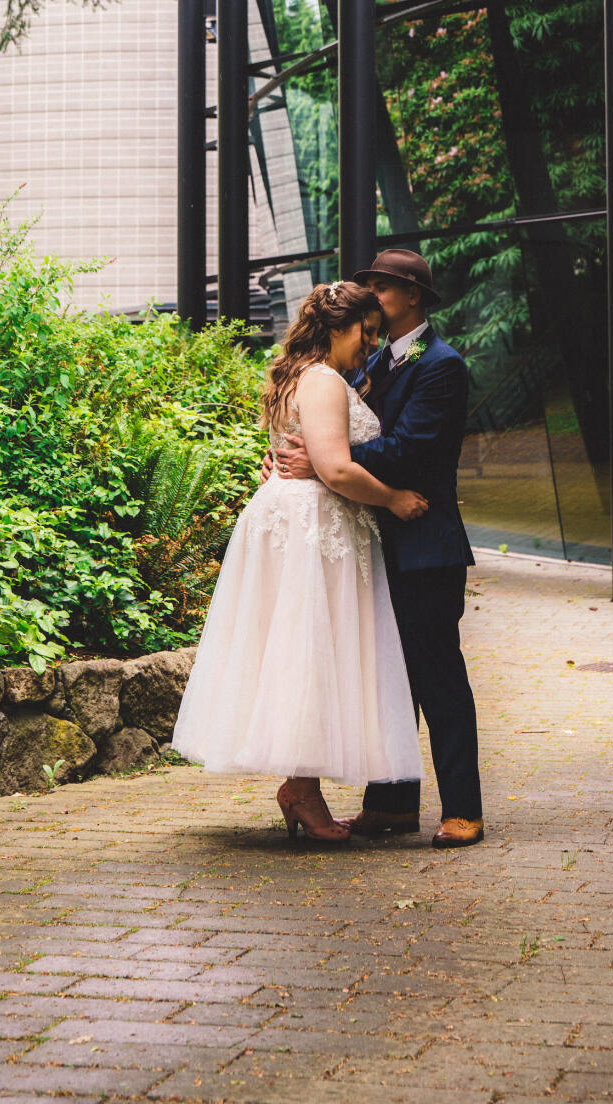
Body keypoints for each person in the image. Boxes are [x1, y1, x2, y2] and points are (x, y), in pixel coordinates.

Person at [171, 280, 430, 843]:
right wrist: (393, 498)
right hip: (313, 526)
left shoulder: (301, 376)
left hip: (304, 522)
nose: (370, 343)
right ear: (338, 327)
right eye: (365, 332)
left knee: (306, 651)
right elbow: (335, 469)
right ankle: (301, 790)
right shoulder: (323, 381)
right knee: (311, 649)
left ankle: (302, 788)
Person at [271, 249, 483, 848]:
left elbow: (409, 447)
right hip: (372, 542)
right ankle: (390, 804)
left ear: (412, 296)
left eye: (381, 288)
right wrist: (297, 455)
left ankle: (464, 809)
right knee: (389, 677)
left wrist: (323, 461)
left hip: (425, 542)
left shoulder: (441, 364)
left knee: (438, 678)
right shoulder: (368, 361)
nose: (372, 297)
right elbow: (324, 422)